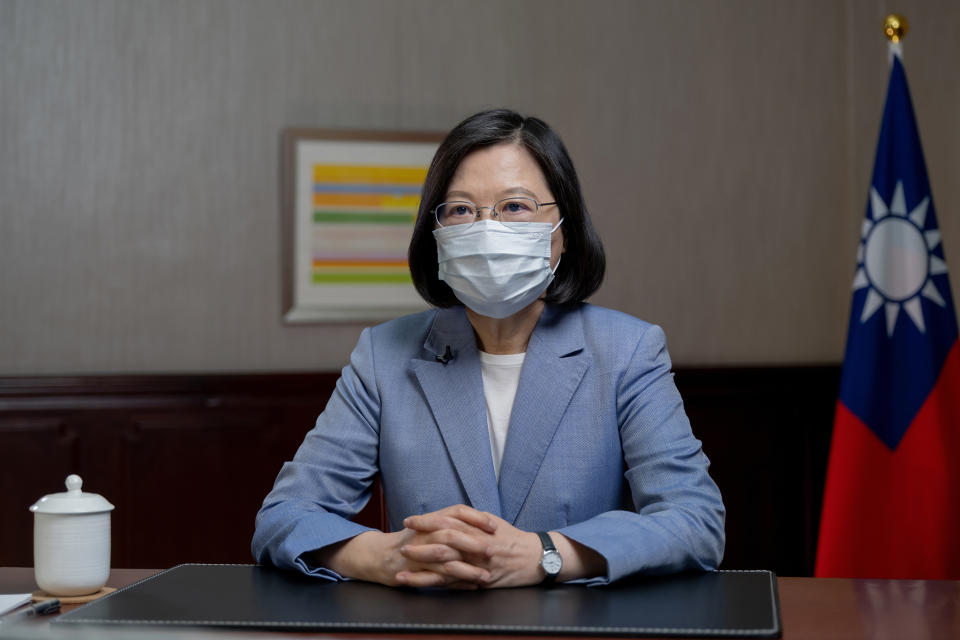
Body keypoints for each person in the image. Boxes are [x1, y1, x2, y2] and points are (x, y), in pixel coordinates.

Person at [253, 109, 725, 588]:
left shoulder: (627, 351)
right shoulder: (384, 354)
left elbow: (696, 521)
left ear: (564, 228)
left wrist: (546, 555)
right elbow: (285, 517)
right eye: (460, 210)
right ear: (436, 235)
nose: (486, 229)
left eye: (514, 206)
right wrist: (385, 555)